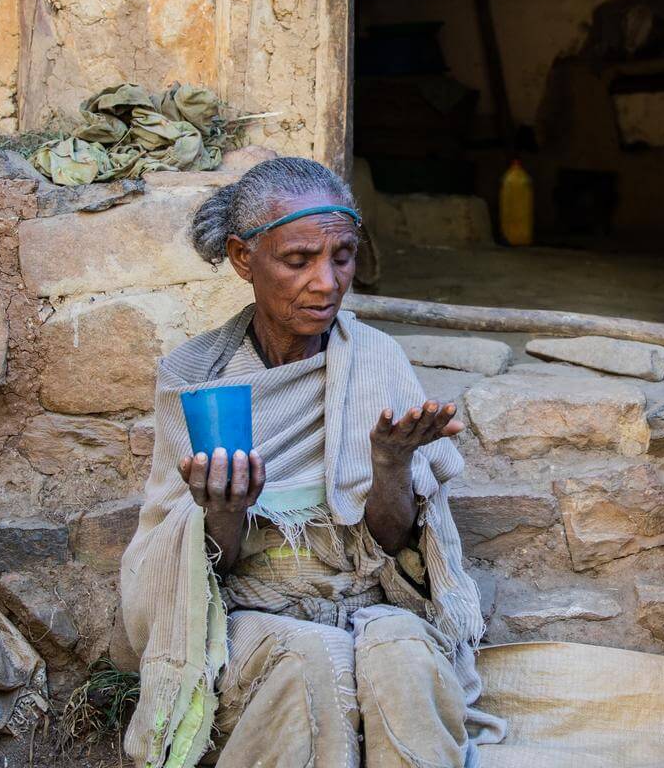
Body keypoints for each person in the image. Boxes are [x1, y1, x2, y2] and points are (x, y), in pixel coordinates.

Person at [119, 157, 504, 767]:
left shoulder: (376, 359)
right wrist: (223, 513)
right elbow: (191, 570)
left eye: (343, 256)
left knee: (402, 653)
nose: (327, 282)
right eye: (299, 261)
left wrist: (391, 465)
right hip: (250, 608)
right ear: (245, 258)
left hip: (369, 594)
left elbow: (395, 544)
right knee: (307, 662)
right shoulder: (195, 378)